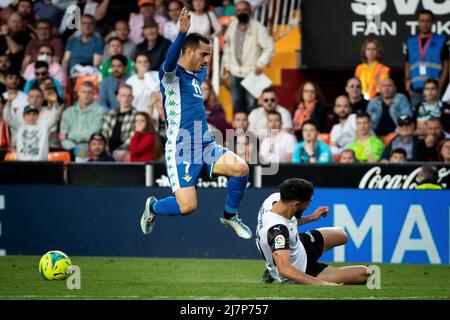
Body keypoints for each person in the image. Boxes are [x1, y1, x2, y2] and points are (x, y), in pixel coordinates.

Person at [140, 8, 252, 240]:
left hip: (206, 144)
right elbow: (171, 60)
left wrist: (219, 38)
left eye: (208, 55)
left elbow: (209, 59)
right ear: (188, 52)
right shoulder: (170, 76)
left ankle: (230, 215)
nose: (206, 59)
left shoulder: (196, 76)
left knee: (241, 168)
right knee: (187, 207)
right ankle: (152, 207)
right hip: (181, 149)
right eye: (202, 54)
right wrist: (181, 34)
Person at [256, 178, 371, 285]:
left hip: (300, 245)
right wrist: (321, 283)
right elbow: (285, 269)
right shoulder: (278, 231)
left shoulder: (275, 199)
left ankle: (278, 259)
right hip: (301, 269)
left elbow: (289, 220)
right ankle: (274, 270)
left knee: (342, 235)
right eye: (308, 203)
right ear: (296, 204)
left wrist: (311, 217)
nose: (308, 205)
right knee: (366, 273)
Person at [222, 0, 274, 115]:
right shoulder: (232, 25)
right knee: (236, 103)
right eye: (239, 10)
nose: (242, 12)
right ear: (235, 12)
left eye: (244, 10)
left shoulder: (258, 27)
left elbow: (270, 47)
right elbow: (227, 46)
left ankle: (251, 132)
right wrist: (227, 65)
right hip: (235, 72)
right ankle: (238, 132)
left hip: (252, 73)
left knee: (251, 105)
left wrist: (261, 63)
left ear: (250, 11)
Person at [405, 9, 449, 108]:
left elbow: (446, 65)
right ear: (418, 22)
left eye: (428, 21)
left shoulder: (441, 40)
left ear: (432, 22)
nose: (425, 24)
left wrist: (439, 86)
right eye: (422, 21)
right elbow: (408, 63)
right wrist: (407, 82)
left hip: (434, 90)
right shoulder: (410, 42)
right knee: (417, 119)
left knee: (435, 119)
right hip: (416, 89)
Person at [59, 81, 106, 160]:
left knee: (82, 155)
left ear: (94, 94)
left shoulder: (100, 111)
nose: (86, 95)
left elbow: (91, 136)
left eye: (89, 92)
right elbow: (62, 138)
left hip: (91, 149)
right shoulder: (67, 112)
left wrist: (69, 135)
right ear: (78, 93)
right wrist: (74, 149)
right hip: (71, 149)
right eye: (83, 92)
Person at [101, 84, 137, 161]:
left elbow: (132, 138)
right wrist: (106, 150)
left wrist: (117, 152)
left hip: (125, 151)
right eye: (123, 95)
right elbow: (104, 134)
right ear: (118, 97)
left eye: (129, 96)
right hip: (107, 151)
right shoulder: (110, 114)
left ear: (132, 98)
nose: (126, 99)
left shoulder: (136, 115)